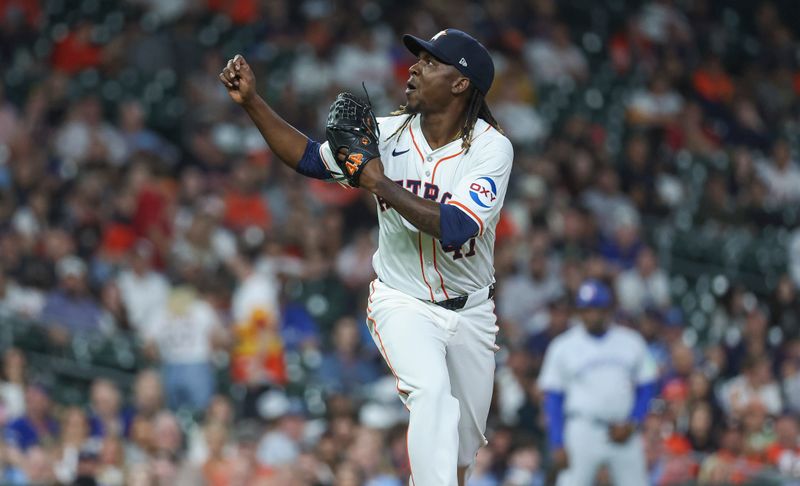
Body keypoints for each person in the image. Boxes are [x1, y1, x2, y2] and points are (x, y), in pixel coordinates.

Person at [220, 27, 512, 486]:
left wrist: (376, 181)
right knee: (431, 394)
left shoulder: (490, 148)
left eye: (431, 63)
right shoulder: (390, 132)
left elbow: (456, 228)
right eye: (418, 59)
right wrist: (255, 103)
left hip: (471, 310)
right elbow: (311, 160)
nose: (414, 68)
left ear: (460, 83)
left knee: (462, 452)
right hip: (403, 301)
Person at [538, 279, 658, 486]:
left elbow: (647, 385)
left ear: (608, 310)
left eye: (596, 309)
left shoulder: (631, 341)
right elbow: (554, 398)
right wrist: (557, 441)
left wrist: (633, 422)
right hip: (582, 429)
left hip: (624, 430)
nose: (591, 315)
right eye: (586, 310)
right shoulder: (563, 346)